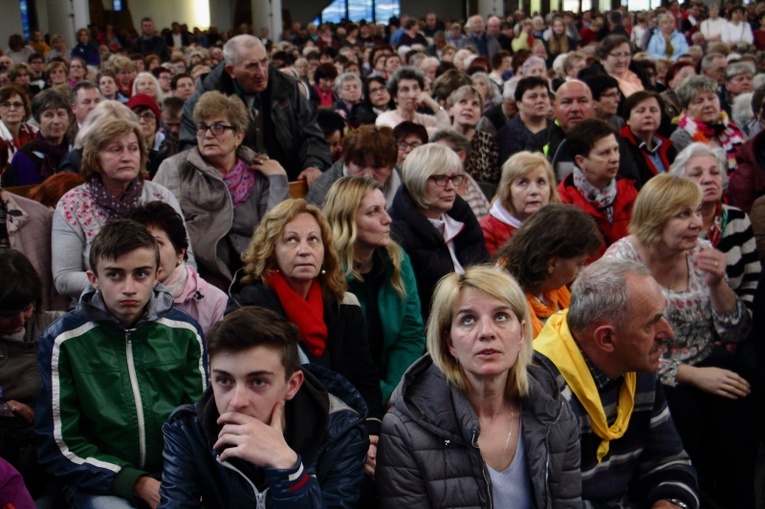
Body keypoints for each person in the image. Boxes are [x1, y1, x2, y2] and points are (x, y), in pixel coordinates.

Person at [603, 173, 756, 508]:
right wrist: (690, 374)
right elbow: (617, 349)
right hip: (644, 371)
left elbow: (735, 332)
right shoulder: (621, 263)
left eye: (697, 212)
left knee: (738, 408)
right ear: (655, 218)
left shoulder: (701, 251)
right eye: (683, 214)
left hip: (705, 357)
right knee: (684, 422)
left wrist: (718, 285)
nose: (697, 223)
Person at [36, 219, 208, 508]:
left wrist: (183, 478)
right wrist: (136, 483)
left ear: (157, 275)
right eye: (114, 275)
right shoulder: (63, 340)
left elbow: (198, 423)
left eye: (141, 274)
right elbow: (59, 445)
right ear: (93, 278)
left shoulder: (185, 332)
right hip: (98, 480)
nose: (128, 288)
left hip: (174, 474)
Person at [377, 265, 582, 507]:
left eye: (501, 317)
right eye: (468, 320)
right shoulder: (404, 430)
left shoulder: (555, 412)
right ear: (449, 342)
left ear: (521, 334)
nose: (486, 332)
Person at [158, 306, 368, 508]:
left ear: (292, 385)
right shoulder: (188, 430)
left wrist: (288, 470)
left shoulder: (341, 433)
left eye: (258, 382)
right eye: (224, 380)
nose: (237, 401)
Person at [534, 258, 700, 508]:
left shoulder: (638, 366)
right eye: (651, 324)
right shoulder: (543, 390)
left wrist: (671, 502)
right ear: (607, 338)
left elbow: (669, 461)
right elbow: (553, 502)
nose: (668, 333)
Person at [227, 198, 383, 434]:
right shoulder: (249, 308)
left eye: (313, 240)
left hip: (346, 431)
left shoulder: (344, 304)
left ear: (324, 251)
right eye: (291, 240)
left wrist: (370, 432)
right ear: (271, 251)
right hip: (282, 432)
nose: (304, 250)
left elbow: (365, 379)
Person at [155, 91, 288, 289]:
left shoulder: (258, 170)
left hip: (256, 271)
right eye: (202, 127)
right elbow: (160, 229)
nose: (208, 135)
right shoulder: (175, 168)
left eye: (218, 127)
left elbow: (273, 230)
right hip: (200, 276)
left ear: (238, 136)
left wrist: (278, 179)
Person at [52, 116, 189, 300]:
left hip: (165, 300)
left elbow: (187, 260)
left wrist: (149, 289)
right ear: (95, 157)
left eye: (133, 149)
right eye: (115, 150)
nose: (126, 157)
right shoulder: (72, 204)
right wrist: (118, 286)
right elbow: (64, 278)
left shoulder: (160, 197)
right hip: (96, 307)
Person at [323, 176, 425, 405]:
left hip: (399, 388)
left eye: (385, 209)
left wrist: (397, 391)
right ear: (346, 220)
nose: (388, 219)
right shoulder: (327, 274)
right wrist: (382, 397)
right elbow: (343, 357)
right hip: (346, 394)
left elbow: (410, 334)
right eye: (373, 212)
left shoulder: (397, 259)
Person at [180, 35, 331, 185]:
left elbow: (311, 133)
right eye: (251, 66)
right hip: (229, 188)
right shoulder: (203, 98)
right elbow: (190, 150)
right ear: (231, 70)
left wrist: (314, 164)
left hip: (288, 183)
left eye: (264, 62)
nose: (262, 72)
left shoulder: (286, 87)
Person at [388, 143, 488, 320]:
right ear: (417, 180)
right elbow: (414, 312)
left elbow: (485, 272)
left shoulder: (463, 218)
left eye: (454, 178)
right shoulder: (397, 234)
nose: (450, 186)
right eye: (440, 178)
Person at [0, 249, 64, 498]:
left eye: (26, 309)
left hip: (55, 442)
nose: (19, 321)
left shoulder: (56, 326)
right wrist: (5, 408)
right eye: (6, 315)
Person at [669, 143, 761, 310]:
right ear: (681, 184)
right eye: (696, 174)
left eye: (715, 172)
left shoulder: (738, 219)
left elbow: (752, 281)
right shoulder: (670, 227)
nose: (708, 179)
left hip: (736, 323)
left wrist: (744, 321)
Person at [497, 204, 601, 337]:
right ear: (552, 263)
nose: (581, 271)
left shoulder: (554, 290)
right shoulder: (505, 303)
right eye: (579, 264)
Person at [129, 202, 227, 336]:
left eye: (156, 243)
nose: (146, 253)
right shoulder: (117, 296)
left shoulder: (214, 302)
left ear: (180, 252)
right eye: (138, 243)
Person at [557, 119, 638, 254]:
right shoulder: (562, 204)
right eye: (604, 153)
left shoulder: (630, 192)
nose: (615, 158)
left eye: (615, 150)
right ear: (581, 161)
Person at [480, 151, 559, 255]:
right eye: (523, 183)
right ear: (508, 190)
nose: (534, 191)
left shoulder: (562, 226)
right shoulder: (487, 229)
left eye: (541, 182)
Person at [306, 125, 399, 208]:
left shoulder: (406, 182)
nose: (367, 176)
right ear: (346, 163)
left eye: (377, 167)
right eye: (360, 165)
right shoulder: (323, 189)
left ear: (391, 167)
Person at [671, 75, 745, 177]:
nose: (708, 105)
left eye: (711, 98)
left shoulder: (733, 128)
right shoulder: (681, 136)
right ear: (686, 110)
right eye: (699, 101)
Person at [2, 89, 70, 187]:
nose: (56, 121)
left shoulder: (76, 149)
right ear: (38, 120)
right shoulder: (25, 156)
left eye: (61, 114)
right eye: (48, 115)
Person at [619, 90, 677, 188]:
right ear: (628, 119)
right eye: (640, 111)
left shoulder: (668, 147)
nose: (648, 115)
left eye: (653, 110)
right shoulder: (621, 147)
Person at [446, 84, 500, 185]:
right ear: (450, 110)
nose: (469, 108)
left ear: (481, 114)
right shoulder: (440, 140)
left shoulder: (488, 141)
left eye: (475, 104)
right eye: (463, 102)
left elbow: (494, 182)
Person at [375, 67, 451, 137]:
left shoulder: (426, 119)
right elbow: (405, 136)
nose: (412, 95)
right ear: (395, 97)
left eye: (415, 88)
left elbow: (446, 132)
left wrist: (433, 104)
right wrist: (433, 131)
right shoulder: (385, 118)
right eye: (405, 90)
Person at [497, 77, 550, 164]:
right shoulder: (507, 134)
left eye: (544, 96)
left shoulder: (557, 129)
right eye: (533, 97)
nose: (540, 100)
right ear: (519, 104)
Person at [0, 85, 37, 162]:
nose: (12, 109)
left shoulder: (35, 132)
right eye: (6, 105)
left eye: (17, 105)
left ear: (24, 110)